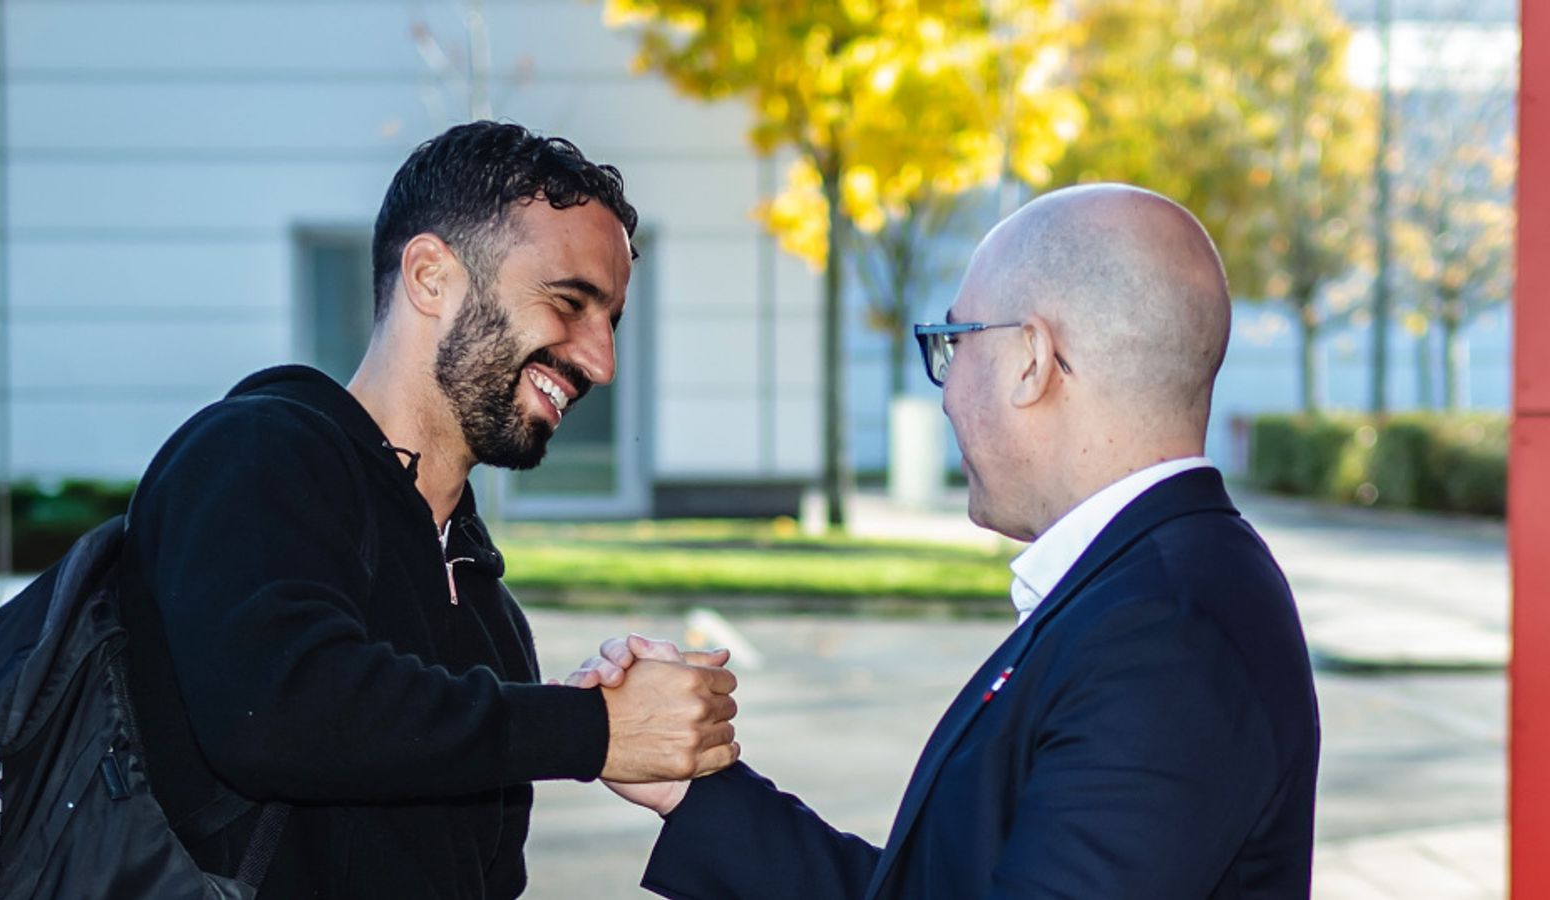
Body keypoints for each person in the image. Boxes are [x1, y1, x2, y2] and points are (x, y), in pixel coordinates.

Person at [578, 184, 1320, 898]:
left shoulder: (1166, 636)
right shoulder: (1152, 591)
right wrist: (693, 790)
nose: (948, 390)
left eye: (953, 343)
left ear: (1031, 359)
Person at [116, 120, 739, 900]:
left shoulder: (491, 614)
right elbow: (276, 711)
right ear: (431, 276)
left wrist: (581, 714)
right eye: (569, 303)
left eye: (610, 321)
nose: (600, 361)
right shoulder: (254, 456)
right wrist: (591, 732)